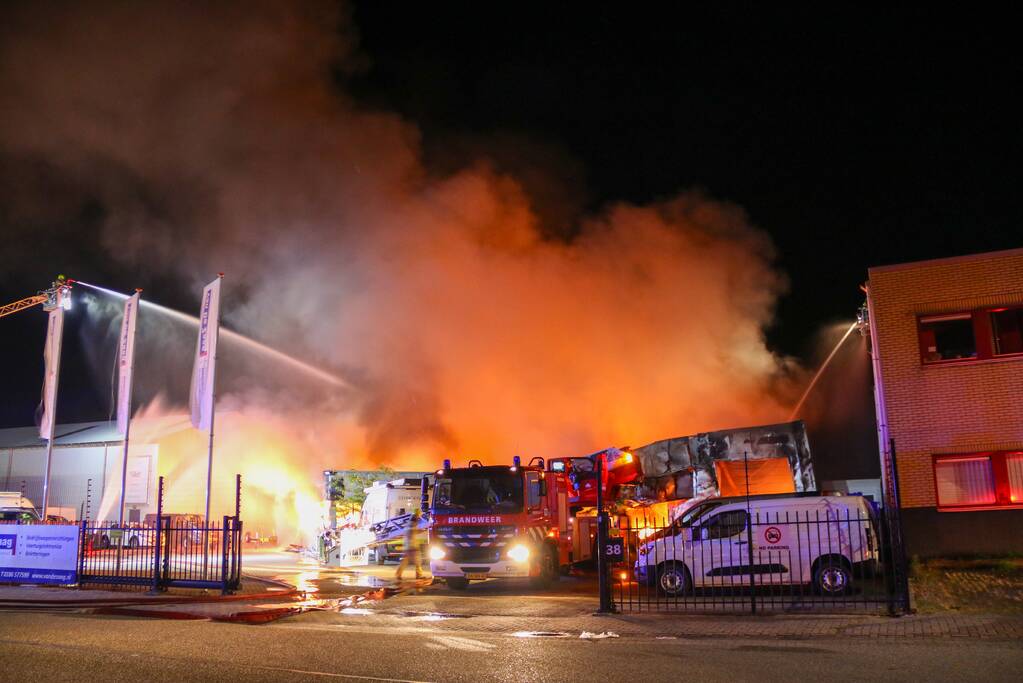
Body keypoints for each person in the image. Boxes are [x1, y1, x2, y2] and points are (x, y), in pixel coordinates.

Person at [395, 510, 424, 581]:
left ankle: (398, 575)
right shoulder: (412, 526)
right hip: (412, 547)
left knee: (404, 562)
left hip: (408, 547)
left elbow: (413, 531)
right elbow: (414, 531)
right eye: (418, 518)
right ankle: (418, 575)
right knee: (418, 561)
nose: (418, 520)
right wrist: (422, 530)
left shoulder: (409, 525)